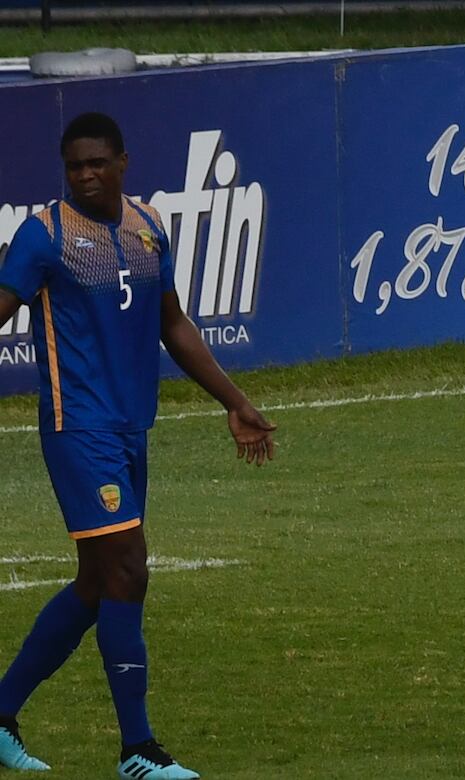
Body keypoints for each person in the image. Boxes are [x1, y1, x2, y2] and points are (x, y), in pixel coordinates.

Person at [0, 112, 276, 779]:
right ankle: (137, 750)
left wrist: (234, 401)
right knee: (129, 569)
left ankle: (1, 713)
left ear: (123, 162)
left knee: (98, 583)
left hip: (130, 429)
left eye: (98, 163)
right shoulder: (43, 236)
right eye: (74, 166)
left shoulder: (148, 225)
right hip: (78, 428)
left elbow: (173, 326)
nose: (86, 175)